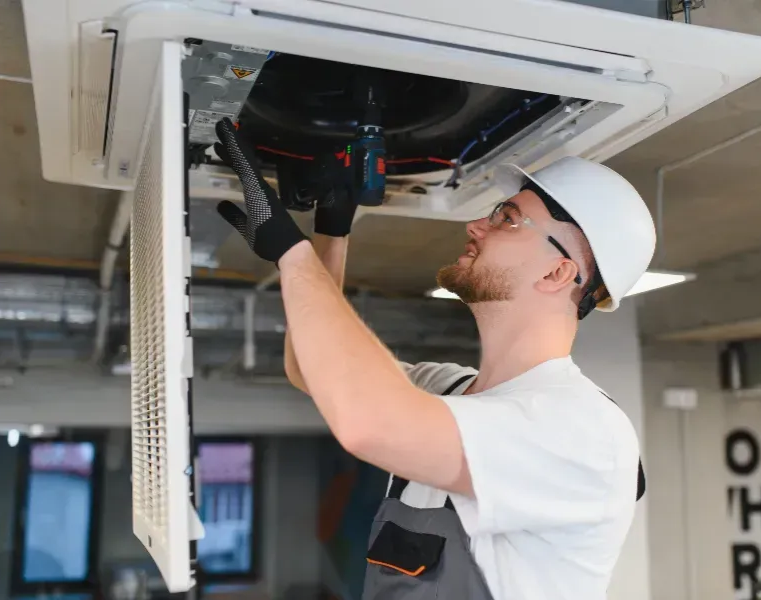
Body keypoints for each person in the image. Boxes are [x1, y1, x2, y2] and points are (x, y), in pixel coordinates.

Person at [212, 118, 656, 600]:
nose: (476, 225)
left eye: (507, 218)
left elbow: (366, 423)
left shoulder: (583, 431)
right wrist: (331, 230)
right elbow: (315, 372)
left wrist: (292, 256)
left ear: (557, 271)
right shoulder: (450, 391)